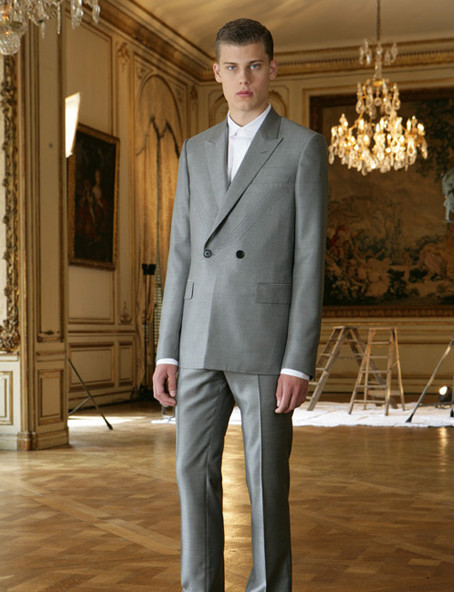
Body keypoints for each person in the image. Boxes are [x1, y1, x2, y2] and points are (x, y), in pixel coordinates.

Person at [153, 18, 329, 592]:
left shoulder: (302, 147)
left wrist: (298, 360)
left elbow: (309, 260)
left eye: (254, 65)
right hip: (199, 337)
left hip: (265, 342)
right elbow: (181, 253)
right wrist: (167, 350)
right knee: (191, 475)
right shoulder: (195, 149)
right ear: (217, 73)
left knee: (266, 484)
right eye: (231, 67)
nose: (243, 78)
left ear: (272, 68)